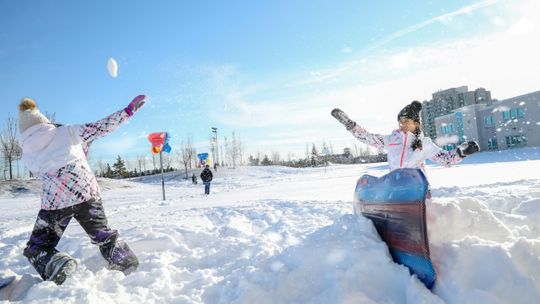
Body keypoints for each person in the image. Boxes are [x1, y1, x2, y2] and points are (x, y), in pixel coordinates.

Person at [18, 95, 146, 285]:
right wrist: (126, 112)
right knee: (103, 235)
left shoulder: (27, 154)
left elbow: (49, 166)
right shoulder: (66, 132)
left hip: (55, 202)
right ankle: (126, 262)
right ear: (45, 122)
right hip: (86, 193)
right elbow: (99, 128)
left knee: (37, 247)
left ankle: (59, 267)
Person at [334, 101, 479, 179]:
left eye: (406, 121)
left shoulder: (425, 143)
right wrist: (351, 125)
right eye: (400, 122)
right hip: (396, 187)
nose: (402, 125)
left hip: (417, 190)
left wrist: (461, 152)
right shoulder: (391, 139)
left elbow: (445, 159)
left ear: (416, 123)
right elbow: (368, 138)